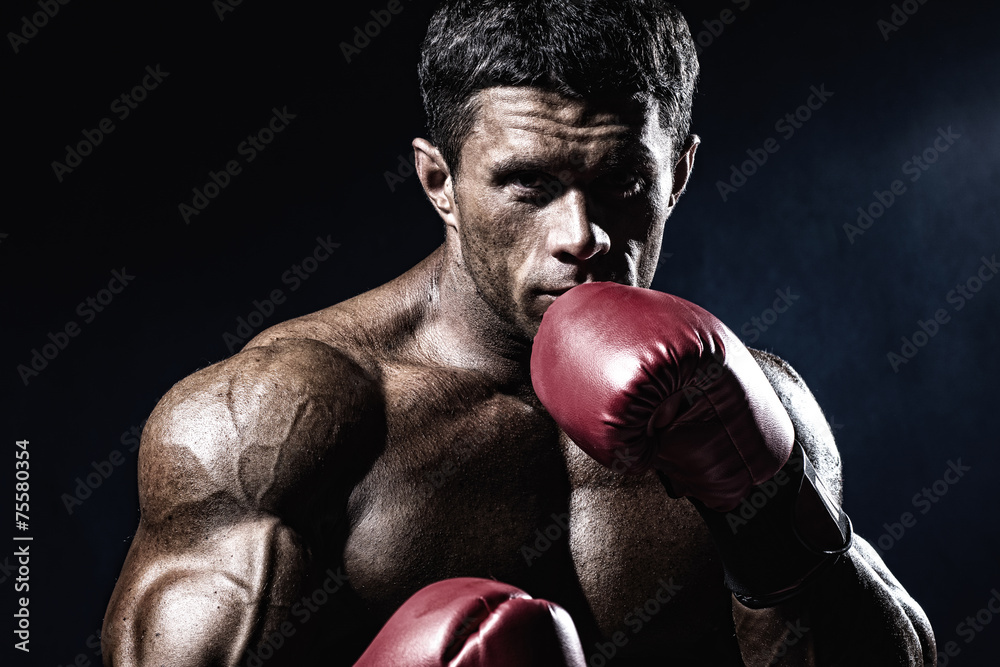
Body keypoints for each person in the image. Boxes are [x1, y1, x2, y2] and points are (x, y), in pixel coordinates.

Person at [102, 1, 935, 664]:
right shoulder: (278, 422)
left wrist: (769, 505)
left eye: (621, 182)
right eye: (528, 184)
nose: (582, 234)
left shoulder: (752, 403)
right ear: (440, 181)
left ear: (677, 173)